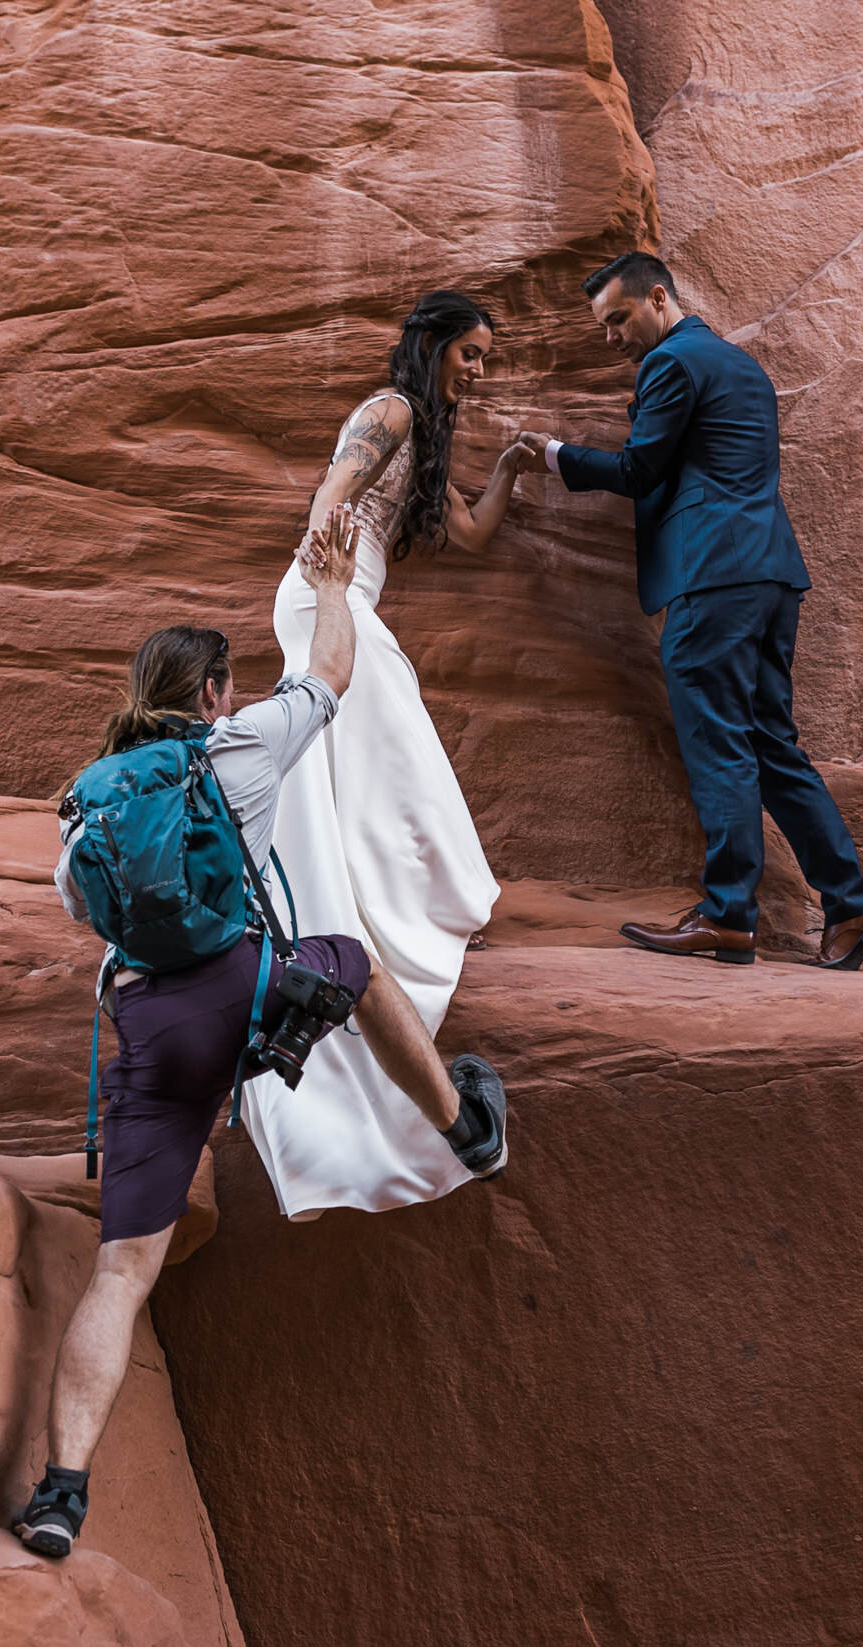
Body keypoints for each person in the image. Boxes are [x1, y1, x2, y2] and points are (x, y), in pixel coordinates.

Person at [13, 507, 509, 1561]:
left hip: (152, 1035)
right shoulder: (237, 745)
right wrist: (331, 582)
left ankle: (59, 1492)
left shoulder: (85, 807)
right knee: (353, 959)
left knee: (120, 1272)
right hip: (249, 994)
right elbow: (328, 670)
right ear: (209, 693)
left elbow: (82, 914)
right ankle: (465, 1123)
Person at [517, 252, 863, 971]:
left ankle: (728, 916)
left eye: (617, 320)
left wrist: (553, 454)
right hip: (770, 574)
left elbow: (639, 470)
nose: (612, 340)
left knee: (718, 742)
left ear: (658, 297)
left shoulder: (672, 363)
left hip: (711, 577)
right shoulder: (742, 366)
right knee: (773, 747)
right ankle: (852, 904)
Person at [239, 291, 536, 1219]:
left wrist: (516, 468)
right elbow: (336, 485)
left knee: (366, 760)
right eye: (471, 354)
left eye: (486, 359)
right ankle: (428, 903)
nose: (477, 371)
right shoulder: (391, 409)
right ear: (435, 345)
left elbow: (472, 532)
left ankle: (393, 901)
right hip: (324, 597)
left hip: (343, 597)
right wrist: (329, 578)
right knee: (393, 732)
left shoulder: (429, 435)